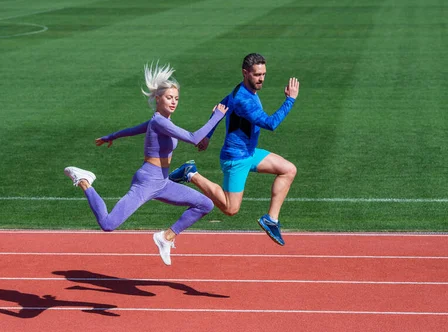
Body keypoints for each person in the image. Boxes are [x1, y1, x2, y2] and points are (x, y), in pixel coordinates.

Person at [64, 62, 228, 266]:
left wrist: (111, 136)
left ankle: (166, 237)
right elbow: (194, 137)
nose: (174, 102)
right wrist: (217, 117)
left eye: (176, 98)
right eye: (169, 98)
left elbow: (134, 129)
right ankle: (85, 181)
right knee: (108, 224)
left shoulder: (163, 123)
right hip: (146, 182)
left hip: (163, 183)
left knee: (205, 204)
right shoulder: (159, 121)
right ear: (158, 98)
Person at [169, 53, 299, 246]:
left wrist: (208, 135)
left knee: (289, 170)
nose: (261, 79)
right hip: (236, 158)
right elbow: (270, 124)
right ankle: (191, 174)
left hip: (249, 152)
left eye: (263, 74)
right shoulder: (243, 100)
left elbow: (221, 106)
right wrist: (290, 100)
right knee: (231, 209)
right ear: (245, 73)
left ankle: (271, 220)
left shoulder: (241, 91)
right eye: (256, 75)